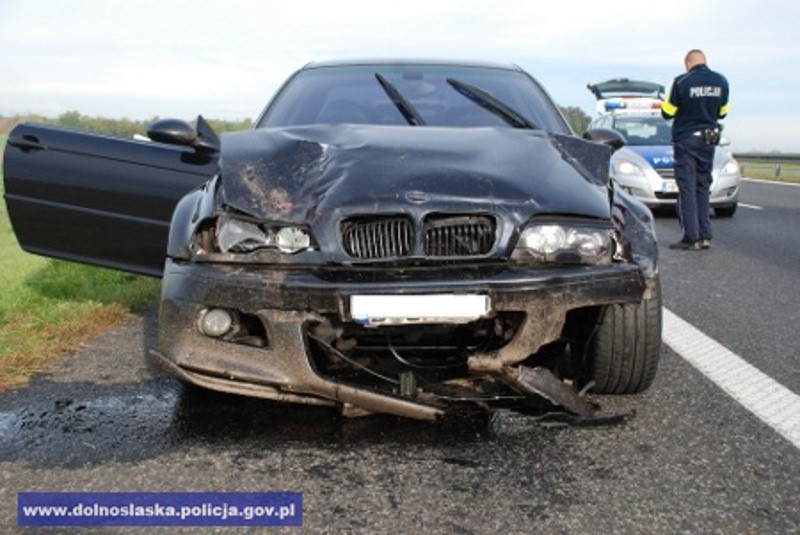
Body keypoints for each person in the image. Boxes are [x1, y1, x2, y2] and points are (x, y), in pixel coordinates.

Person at [661, 49, 730, 250]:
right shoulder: (721, 81)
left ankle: (691, 237)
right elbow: (723, 112)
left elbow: (668, 112)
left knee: (687, 188)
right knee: (702, 186)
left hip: (686, 140)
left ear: (687, 63)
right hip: (709, 140)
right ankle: (705, 236)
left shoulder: (682, 81)